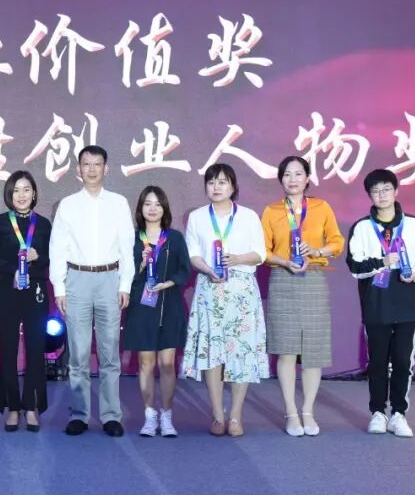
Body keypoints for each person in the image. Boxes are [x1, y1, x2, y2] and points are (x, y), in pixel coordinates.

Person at [346, 168, 415, 438]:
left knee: (402, 361)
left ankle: (399, 414)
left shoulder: (414, 225)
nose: (381, 195)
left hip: (408, 302)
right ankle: (377, 412)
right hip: (376, 303)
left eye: (386, 189)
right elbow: (355, 266)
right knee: (377, 362)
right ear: (369, 195)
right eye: (375, 191)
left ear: (396, 191)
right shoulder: (362, 227)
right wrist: (382, 262)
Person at [50, 146, 135, 437]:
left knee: (110, 352)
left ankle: (111, 415)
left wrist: (124, 285)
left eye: (97, 164)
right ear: (78, 169)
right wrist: (59, 287)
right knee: (78, 353)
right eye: (86, 164)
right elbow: (57, 248)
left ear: (106, 168)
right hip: (77, 279)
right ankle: (80, 414)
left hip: (110, 278)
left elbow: (127, 247)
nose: (92, 169)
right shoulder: (68, 205)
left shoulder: (119, 203)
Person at [261, 156, 345, 437]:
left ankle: (308, 410)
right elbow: (263, 251)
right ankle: (291, 412)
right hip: (282, 280)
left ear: (308, 178)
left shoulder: (321, 207)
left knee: (313, 351)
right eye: (287, 174)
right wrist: (284, 261)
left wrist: (317, 251)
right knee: (286, 350)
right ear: (280, 179)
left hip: (314, 279)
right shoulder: (271, 211)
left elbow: (337, 241)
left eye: (298, 174)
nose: (293, 179)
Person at [182, 163, 268, 437]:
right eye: (211, 182)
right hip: (210, 289)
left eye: (222, 182)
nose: (216, 187)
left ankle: (236, 416)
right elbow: (193, 253)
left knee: (240, 351)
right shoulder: (197, 217)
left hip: (241, 290)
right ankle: (218, 415)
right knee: (213, 351)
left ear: (233, 186)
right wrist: (209, 269)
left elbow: (260, 253)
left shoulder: (248, 216)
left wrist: (238, 258)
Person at [124, 186, 192, 438]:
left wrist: (169, 283)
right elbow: (124, 276)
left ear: (165, 208)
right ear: (140, 208)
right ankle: (149, 416)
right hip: (142, 308)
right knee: (146, 363)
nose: (152, 209)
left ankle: (167, 415)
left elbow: (184, 270)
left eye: (157, 204)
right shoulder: (131, 239)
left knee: (167, 364)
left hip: (169, 306)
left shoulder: (174, 238)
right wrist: (141, 264)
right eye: (147, 204)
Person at [0, 170, 52, 432]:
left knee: (36, 349)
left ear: (34, 193)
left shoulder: (43, 224)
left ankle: (31, 406)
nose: (21, 195)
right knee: (8, 349)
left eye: (26, 189)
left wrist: (38, 257)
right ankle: (13, 407)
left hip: (35, 290)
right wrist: (11, 269)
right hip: (7, 289)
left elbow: (52, 257)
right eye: (16, 190)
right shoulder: (1, 222)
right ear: (9, 194)